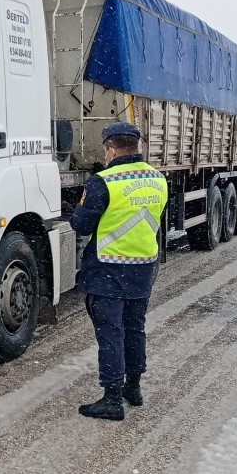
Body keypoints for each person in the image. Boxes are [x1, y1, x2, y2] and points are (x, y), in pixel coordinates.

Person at [70, 122, 168, 421]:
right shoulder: (158, 178)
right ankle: (133, 388)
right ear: (136, 147)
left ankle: (111, 398)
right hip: (143, 267)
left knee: (110, 333)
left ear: (110, 149)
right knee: (134, 328)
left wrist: (77, 211)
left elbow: (82, 225)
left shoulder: (104, 181)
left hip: (108, 268)